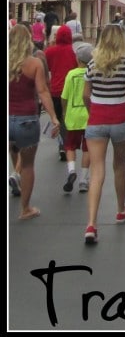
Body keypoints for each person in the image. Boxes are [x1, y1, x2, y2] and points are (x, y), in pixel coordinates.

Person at [82, 24, 125, 245]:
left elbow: (86, 94)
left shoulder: (93, 64)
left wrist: (92, 111)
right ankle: (121, 210)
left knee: (97, 171)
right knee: (119, 166)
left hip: (96, 120)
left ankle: (92, 224)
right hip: (120, 119)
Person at [9, 23, 61, 219]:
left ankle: (16, 179)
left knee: (13, 149)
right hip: (27, 120)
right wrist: (54, 117)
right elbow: (42, 92)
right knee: (28, 164)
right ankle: (25, 208)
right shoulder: (34, 63)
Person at [60, 43, 93, 194]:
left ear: (77, 59)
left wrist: (64, 111)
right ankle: (83, 180)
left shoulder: (71, 74)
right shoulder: (92, 73)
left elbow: (64, 96)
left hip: (72, 116)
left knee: (70, 146)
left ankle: (72, 170)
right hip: (88, 116)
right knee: (87, 149)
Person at [45, 24, 79, 160]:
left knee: (58, 118)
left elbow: (45, 67)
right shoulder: (73, 51)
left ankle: (62, 144)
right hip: (70, 90)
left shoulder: (50, 51)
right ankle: (67, 145)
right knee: (67, 118)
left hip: (55, 90)